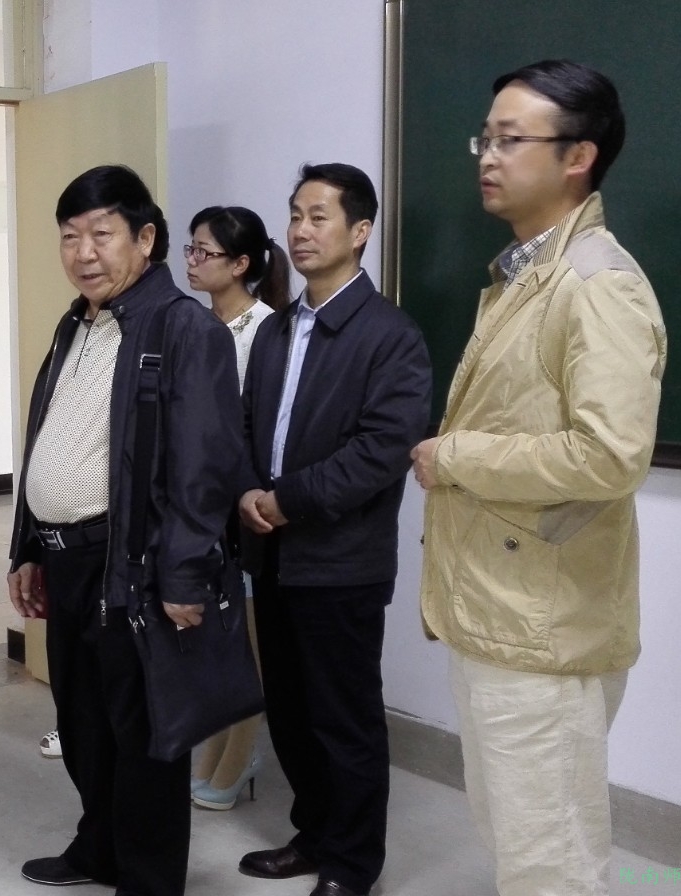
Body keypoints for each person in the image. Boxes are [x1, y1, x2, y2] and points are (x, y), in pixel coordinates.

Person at [412, 60, 666, 896]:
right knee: (518, 842)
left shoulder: (596, 285)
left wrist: (456, 456)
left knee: (549, 865)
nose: (488, 155)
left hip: (543, 628)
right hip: (505, 609)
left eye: (510, 139)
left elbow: (609, 455)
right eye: (484, 138)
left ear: (577, 157)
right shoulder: (523, 275)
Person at [7, 165, 244, 896]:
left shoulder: (184, 329)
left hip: (133, 565)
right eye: (69, 237)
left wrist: (184, 577)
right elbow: (48, 436)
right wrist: (27, 545)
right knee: (83, 722)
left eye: (101, 234)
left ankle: (148, 878)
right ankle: (99, 849)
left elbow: (203, 468)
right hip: (67, 561)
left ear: (145, 239)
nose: (83, 253)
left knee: (143, 734)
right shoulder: (76, 323)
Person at [235, 164, 431, 896]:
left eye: (318, 216)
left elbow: (381, 451)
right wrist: (248, 490)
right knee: (289, 711)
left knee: (343, 720)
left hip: (342, 561)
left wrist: (287, 499)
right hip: (274, 555)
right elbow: (246, 426)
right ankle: (314, 835)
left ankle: (352, 864)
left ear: (360, 231)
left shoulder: (390, 335)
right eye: (294, 215)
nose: (300, 230)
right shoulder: (276, 329)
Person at [182, 205, 289, 810]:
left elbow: (256, 432)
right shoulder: (198, 325)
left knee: (244, 644)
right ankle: (217, 749)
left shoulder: (266, 331)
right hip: (201, 508)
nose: (193, 260)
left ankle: (241, 753)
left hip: (243, 509)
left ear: (241, 263)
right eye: (190, 249)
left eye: (205, 252)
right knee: (215, 643)